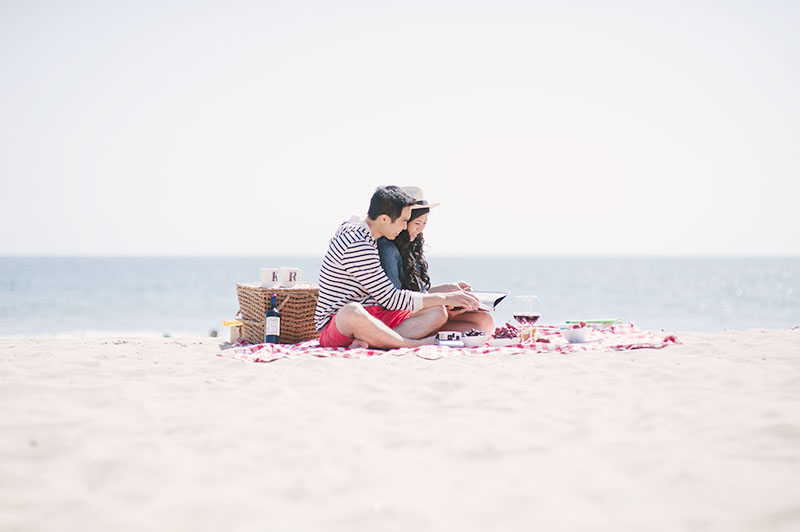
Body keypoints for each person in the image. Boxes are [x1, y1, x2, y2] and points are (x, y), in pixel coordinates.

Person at [314, 186, 480, 349]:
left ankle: (375, 340)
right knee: (351, 312)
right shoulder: (357, 244)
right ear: (384, 219)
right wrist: (447, 298)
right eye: (403, 221)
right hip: (336, 324)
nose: (403, 227)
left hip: (375, 312)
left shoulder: (366, 235)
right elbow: (391, 299)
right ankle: (407, 343)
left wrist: (446, 296)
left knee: (437, 311)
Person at [377, 186, 495, 335]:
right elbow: (396, 299)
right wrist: (445, 300)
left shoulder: (412, 244)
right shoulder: (388, 248)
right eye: (417, 223)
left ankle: (431, 332)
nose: (420, 229)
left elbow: (417, 291)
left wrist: (448, 289)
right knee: (446, 315)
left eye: (424, 223)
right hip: (403, 315)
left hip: (421, 310)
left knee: (485, 321)